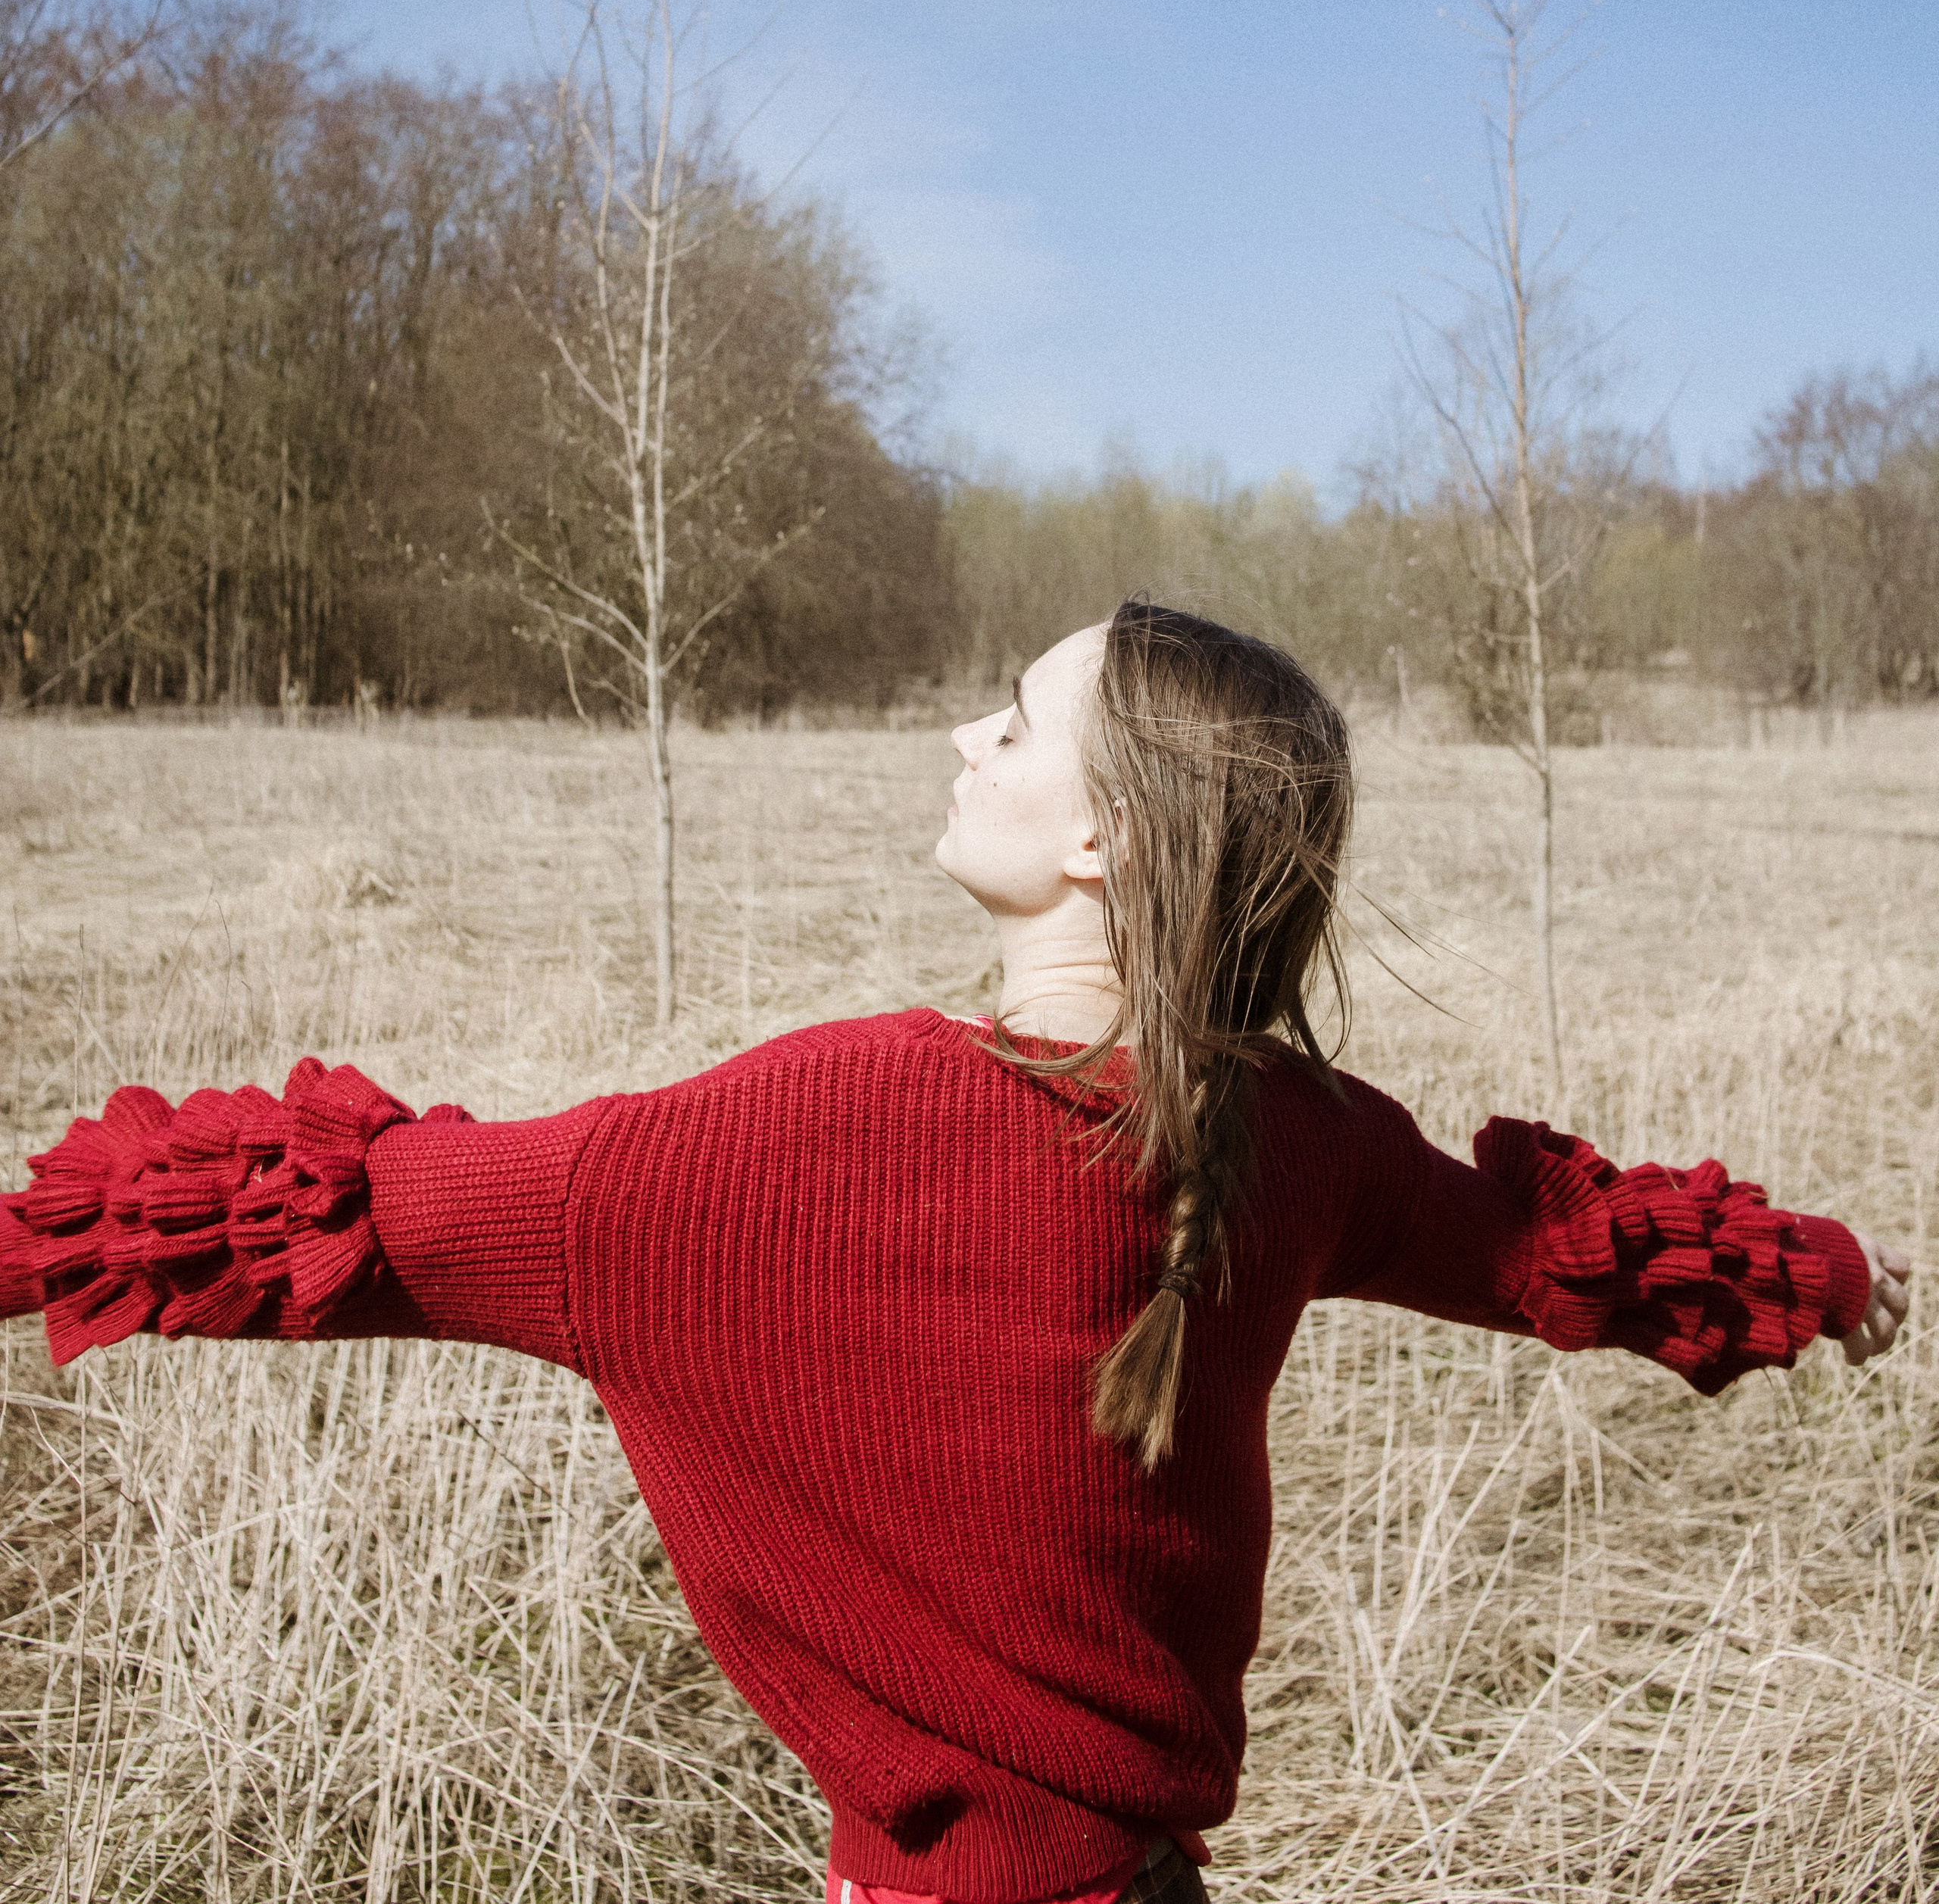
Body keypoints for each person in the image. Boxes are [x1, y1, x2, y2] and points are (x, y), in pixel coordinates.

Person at [0, 604, 1911, 1904]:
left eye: (1014, 718)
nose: (960, 731)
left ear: (1100, 840)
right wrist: (1807, 1269)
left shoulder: (766, 1147)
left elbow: (341, 1214)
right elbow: (1548, 1245)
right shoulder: (1294, 1136)